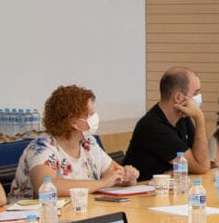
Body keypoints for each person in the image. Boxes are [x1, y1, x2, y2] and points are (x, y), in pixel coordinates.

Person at [8, 85, 138, 199]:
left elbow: (113, 175)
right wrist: (102, 183)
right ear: (72, 121)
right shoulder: (42, 147)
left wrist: (128, 177)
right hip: (33, 216)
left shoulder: (88, 143)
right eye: (90, 114)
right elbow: (46, 185)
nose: (94, 117)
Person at [123, 66, 210, 181]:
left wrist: (181, 170)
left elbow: (201, 159)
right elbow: (202, 166)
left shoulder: (182, 118)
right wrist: (199, 117)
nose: (198, 97)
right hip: (144, 190)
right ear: (178, 97)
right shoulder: (153, 126)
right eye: (195, 93)